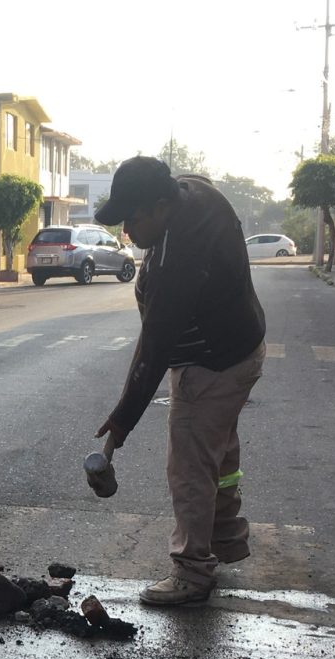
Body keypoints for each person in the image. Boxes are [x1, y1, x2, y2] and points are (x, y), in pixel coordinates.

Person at [91, 156, 267, 607]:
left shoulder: (177, 260)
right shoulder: (194, 191)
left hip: (210, 363)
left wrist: (122, 420)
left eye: (133, 218)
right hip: (243, 347)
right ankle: (225, 539)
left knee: (190, 464)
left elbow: (155, 349)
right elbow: (154, 337)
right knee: (220, 454)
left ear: (161, 205)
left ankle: (193, 571)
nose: (127, 231)